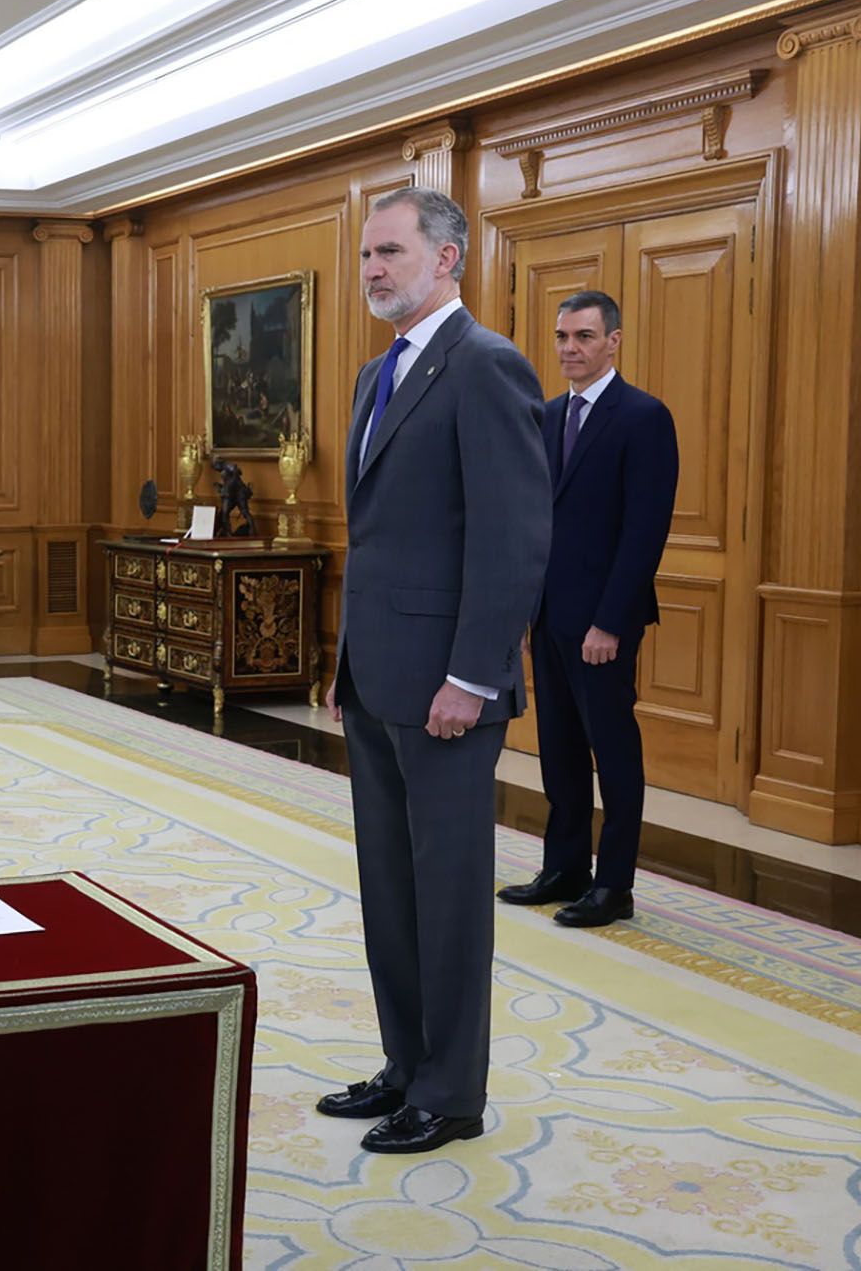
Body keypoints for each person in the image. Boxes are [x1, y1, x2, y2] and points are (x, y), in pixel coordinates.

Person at [319, 187, 551, 1154]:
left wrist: (474, 676)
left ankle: (453, 1093)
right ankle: (406, 1064)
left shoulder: (486, 365)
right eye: (366, 255)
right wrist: (343, 661)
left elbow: (513, 539)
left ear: (447, 258)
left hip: (449, 689)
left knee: (448, 894)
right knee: (390, 886)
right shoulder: (379, 373)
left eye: (390, 252)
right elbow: (377, 535)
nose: (372, 269)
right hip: (378, 678)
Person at [498, 291, 678, 928]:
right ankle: (564, 867)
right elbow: (535, 522)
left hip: (604, 622)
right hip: (548, 617)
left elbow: (644, 531)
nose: (569, 348)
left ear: (614, 341)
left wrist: (609, 620)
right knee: (560, 751)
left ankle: (614, 886)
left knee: (613, 752)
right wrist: (525, 609)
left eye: (582, 336)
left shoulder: (643, 417)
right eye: (561, 337)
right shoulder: (545, 416)